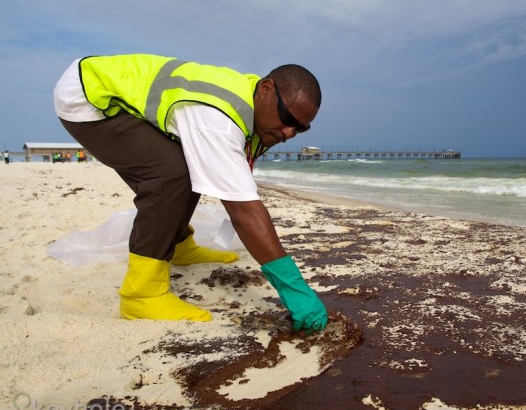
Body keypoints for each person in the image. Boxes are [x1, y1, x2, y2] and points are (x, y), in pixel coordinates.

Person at [53, 54, 327, 332]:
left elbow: (236, 182)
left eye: (301, 128)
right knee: (169, 174)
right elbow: (244, 211)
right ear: (266, 88)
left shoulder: (255, 108)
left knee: (187, 166)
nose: (290, 133)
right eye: (287, 118)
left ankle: (180, 246)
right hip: (89, 97)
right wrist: (295, 289)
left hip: (108, 90)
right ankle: (141, 293)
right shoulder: (217, 119)